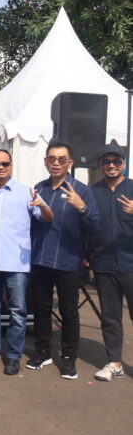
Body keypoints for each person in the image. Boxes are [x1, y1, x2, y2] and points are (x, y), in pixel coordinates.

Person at [0, 149, 53, 376]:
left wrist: (43, 205)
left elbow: (46, 218)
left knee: (18, 312)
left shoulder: (27, 192)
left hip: (16, 263)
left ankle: (14, 356)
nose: (0, 167)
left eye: (4, 163)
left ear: (11, 165)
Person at [28, 140, 100, 380]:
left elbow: (96, 226)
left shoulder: (82, 190)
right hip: (40, 259)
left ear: (69, 163)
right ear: (46, 161)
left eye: (61, 159)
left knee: (69, 311)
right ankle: (42, 351)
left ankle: (69, 357)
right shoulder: (39, 188)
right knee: (41, 308)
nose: (56, 163)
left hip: (69, 261)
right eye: (51, 159)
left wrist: (82, 208)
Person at [89, 144, 133, 382]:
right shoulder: (93, 191)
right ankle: (114, 363)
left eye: (116, 161)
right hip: (104, 263)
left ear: (124, 163)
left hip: (131, 263)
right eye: (106, 162)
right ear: (100, 165)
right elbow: (87, 226)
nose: (111, 165)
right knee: (110, 316)